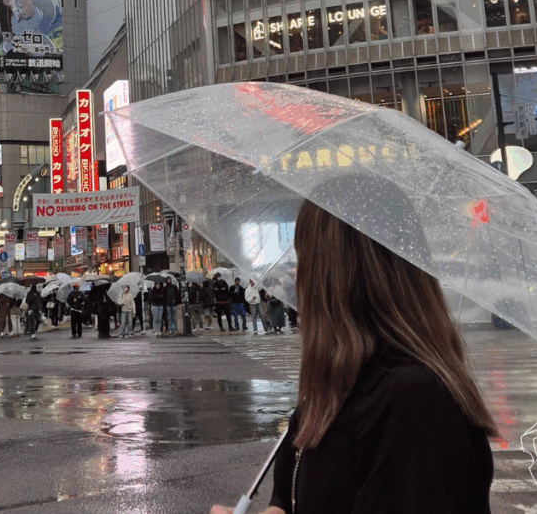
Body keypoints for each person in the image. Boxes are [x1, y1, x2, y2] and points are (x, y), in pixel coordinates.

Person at [210, 198, 497, 514]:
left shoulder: (414, 403)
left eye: (305, 258)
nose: (298, 278)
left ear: (337, 276)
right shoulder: (334, 389)